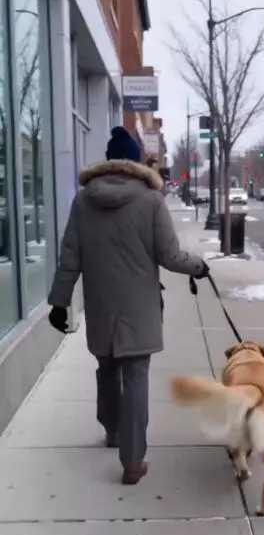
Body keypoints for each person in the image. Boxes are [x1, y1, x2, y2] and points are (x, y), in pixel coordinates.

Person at [48, 126, 208, 485]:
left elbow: (70, 257)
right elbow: (169, 256)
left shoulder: (83, 199)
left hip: (101, 304)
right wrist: (198, 266)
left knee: (106, 368)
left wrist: (59, 302)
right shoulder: (151, 200)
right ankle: (133, 461)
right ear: (135, 162)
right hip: (140, 308)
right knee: (136, 378)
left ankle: (113, 430)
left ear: (107, 162)